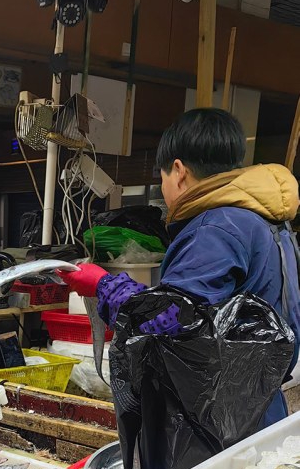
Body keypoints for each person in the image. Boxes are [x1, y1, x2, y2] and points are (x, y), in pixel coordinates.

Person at [59, 107, 300, 430]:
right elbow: (209, 313)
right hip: (259, 405)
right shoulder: (268, 223)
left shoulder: (216, 228)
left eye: (162, 179)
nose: (164, 190)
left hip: (219, 423)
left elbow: (171, 321)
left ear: (178, 171)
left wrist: (104, 285)